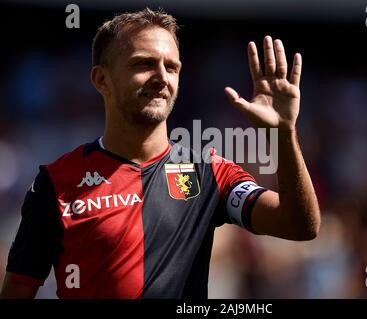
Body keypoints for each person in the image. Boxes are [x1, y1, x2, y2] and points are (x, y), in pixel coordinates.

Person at [0, 8, 320, 299]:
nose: (162, 78)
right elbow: (18, 290)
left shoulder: (209, 173)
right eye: (144, 64)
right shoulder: (55, 183)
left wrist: (283, 135)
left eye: (172, 67)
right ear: (102, 80)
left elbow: (299, 227)